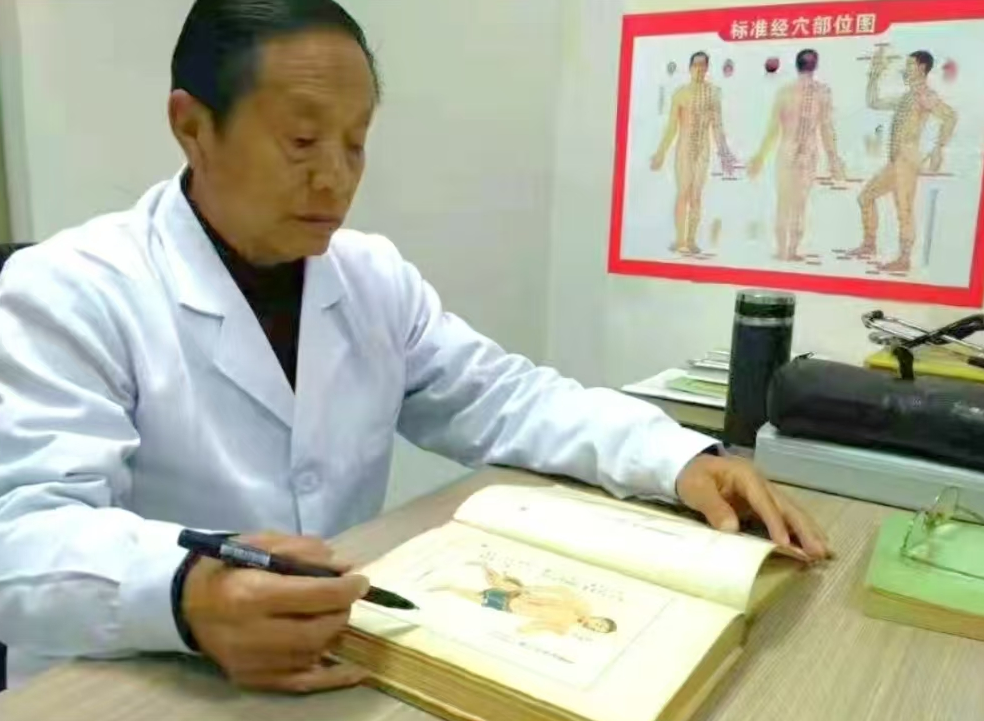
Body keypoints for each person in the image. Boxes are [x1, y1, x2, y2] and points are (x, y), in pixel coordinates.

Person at [0, 0, 829, 695]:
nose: (336, 177)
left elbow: (505, 398)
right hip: (124, 679)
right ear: (192, 126)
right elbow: (22, 539)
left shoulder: (370, 278)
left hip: (330, 657)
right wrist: (184, 592)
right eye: (301, 141)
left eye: (355, 141)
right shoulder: (70, 289)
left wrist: (676, 457)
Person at [847, 47, 957, 272]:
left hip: (907, 159)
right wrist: (875, 73)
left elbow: (950, 116)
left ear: (922, 68)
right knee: (865, 197)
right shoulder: (907, 96)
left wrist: (939, 148)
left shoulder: (925, 95)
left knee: (904, 208)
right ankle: (869, 244)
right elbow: (874, 102)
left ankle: (904, 259)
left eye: (909, 65)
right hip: (896, 161)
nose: (905, 69)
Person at [748, 49, 846, 262]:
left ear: (796, 65)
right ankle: (791, 251)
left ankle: (782, 251)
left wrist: (759, 157)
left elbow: (773, 130)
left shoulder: (785, 92)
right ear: (815, 65)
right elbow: (826, 129)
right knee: (799, 204)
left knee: (784, 203)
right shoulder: (823, 92)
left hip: (787, 151)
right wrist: (833, 160)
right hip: (808, 154)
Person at [651, 51, 737, 255]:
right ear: (690, 68)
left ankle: (691, 240)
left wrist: (725, 155)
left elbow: (717, 126)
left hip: (702, 150)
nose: (699, 69)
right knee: (683, 193)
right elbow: (672, 127)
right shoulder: (680, 93)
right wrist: (661, 152)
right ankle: (679, 238)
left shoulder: (714, 93)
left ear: (707, 68)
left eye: (703, 65)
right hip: (684, 149)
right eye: (696, 65)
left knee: (696, 195)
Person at [434, 565, 617, 637]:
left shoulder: (564, 627)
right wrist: (534, 589)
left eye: (598, 630)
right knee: (497, 581)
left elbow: (542, 625)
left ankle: (448, 587)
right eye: (600, 624)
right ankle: (481, 564)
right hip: (525, 595)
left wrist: (526, 630)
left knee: (480, 598)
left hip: (514, 607)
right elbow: (561, 591)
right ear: (600, 618)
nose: (595, 627)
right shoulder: (581, 607)